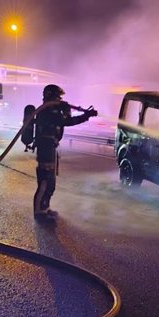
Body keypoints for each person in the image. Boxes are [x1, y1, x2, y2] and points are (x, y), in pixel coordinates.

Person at [32, 84, 97, 220]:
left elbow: (64, 120)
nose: (60, 99)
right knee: (45, 180)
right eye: (58, 97)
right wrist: (85, 116)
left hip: (51, 146)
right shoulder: (47, 111)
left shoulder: (52, 110)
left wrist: (67, 111)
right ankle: (39, 212)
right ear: (51, 96)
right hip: (45, 147)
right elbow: (66, 122)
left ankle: (45, 208)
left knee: (50, 181)